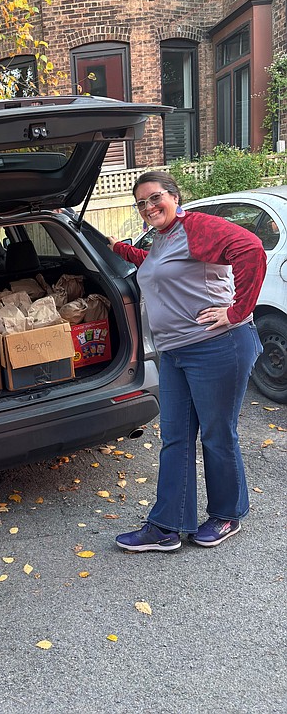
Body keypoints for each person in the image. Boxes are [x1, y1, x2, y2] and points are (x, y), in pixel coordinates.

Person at [107, 171, 266, 554]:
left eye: (155, 197)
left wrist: (236, 311)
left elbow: (250, 250)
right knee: (175, 438)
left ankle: (227, 515)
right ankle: (166, 526)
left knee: (217, 433)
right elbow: (159, 265)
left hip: (217, 346)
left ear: (175, 197)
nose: (148, 207)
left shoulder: (196, 227)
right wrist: (119, 249)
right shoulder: (162, 239)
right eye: (141, 203)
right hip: (175, 353)